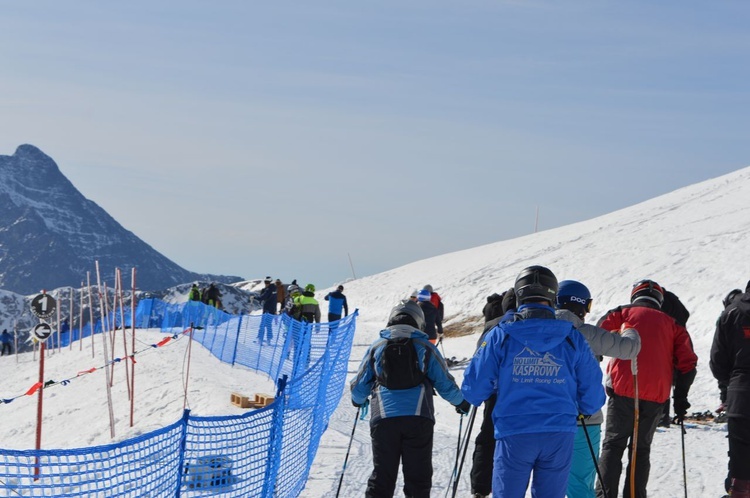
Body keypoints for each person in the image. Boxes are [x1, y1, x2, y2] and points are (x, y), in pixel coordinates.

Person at [462, 266, 605, 498]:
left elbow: (474, 389)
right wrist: (584, 407)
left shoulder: (501, 334)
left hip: (514, 431)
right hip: (559, 433)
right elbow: (593, 395)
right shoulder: (572, 337)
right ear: (552, 297)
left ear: (519, 295)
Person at [350, 299, 470, 498]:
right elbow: (444, 382)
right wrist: (461, 402)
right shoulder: (425, 346)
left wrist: (357, 400)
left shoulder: (377, 346)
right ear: (419, 321)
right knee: (418, 478)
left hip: (384, 420)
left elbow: (359, 384)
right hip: (418, 419)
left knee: (382, 476)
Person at [595, 279, 698, 498]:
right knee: (640, 451)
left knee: (613, 446)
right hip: (656, 395)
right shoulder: (673, 323)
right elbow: (688, 363)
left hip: (622, 389)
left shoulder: (621, 313)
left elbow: (595, 339)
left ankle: (605, 495)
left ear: (635, 295)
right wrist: (680, 400)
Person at [554, 280, 641, 498]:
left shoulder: (539, 332)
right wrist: (630, 330)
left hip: (548, 418)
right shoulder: (587, 334)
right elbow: (629, 349)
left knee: (550, 481)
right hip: (585, 419)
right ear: (581, 305)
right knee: (580, 483)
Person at [470, 287, 516, 498]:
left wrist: (476, 393)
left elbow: (480, 365)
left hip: (494, 394)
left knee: (487, 438)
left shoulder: (492, 330)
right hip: (518, 393)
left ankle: (480, 488)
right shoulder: (523, 326)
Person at [711, 281, 750, 498]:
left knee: (740, 470)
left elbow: (718, 361)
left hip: (741, 398)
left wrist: (731, 386)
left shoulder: (731, 312)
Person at [257, 277, 277, 344]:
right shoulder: (275, 289)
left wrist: (254, 297)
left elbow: (262, 297)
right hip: (272, 309)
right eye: (265, 282)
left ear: (270, 282)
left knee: (263, 324)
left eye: (267, 282)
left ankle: (260, 339)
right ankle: (269, 339)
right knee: (268, 324)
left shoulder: (269, 290)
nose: (266, 283)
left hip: (267, 309)